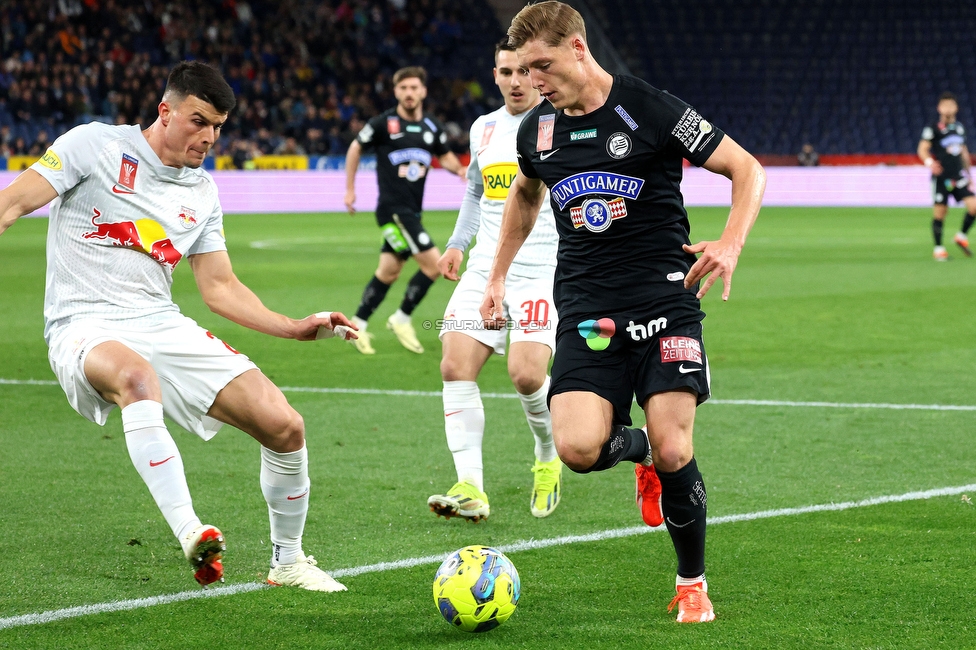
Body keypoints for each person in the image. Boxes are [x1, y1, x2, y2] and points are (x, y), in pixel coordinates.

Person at [0, 61, 357, 592]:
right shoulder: (93, 145)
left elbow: (219, 287)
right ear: (165, 111)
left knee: (285, 426)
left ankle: (288, 562)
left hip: (160, 322)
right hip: (84, 322)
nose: (209, 137)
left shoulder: (203, 192)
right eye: (199, 121)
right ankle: (192, 532)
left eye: (218, 126)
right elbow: (11, 203)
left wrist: (295, 327)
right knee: (137, 380)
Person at [482, 2, 765, 623]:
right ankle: (636, 455)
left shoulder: (650, 108)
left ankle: (691, 583)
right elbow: (525, 198)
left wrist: (730, 242)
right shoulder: (539, 131)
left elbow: (746, 168)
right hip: (587, 309)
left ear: (578, 49)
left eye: (542, 66)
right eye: (525, 70)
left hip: (665, 301)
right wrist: (497, 275)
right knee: (578, 448)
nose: (532, 82)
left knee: (675, 446)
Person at [427, 39, 562, 523]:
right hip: (485, 267)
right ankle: (471, 488)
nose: (515, 81)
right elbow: (476, 190)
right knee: (454, 363)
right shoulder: (482, 128)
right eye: (506, 72)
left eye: (524, 72)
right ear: (495, 73)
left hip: (541, 270)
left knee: (527, 375)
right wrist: (457, 244)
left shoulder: (557, 123)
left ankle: (547, 455)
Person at [344, 66, 467, 355]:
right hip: (395, 211)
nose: (409, 93)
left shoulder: (432, 127)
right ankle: (401, 318)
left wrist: (460, 169)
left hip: (412, 212)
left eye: (414, 88)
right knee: (435, 264)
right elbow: (355, 148)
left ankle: (357, 324)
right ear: (395, 91)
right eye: (403, 88)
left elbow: (445, 156)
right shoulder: (383, 124)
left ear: (423, 91)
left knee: (388, 271)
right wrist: (350, 189)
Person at [917, 92, 976, 261]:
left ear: (956, 108)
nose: (948, 108)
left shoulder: (959, 128)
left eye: (951, 105)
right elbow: (922, 149)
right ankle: (939, 249)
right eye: (945, 105)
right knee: (940, 212)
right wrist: (929, 163)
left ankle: (961, 236)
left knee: (974, 206)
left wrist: (969, 174)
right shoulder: (933, 128)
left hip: (958, 176)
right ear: (939, 108)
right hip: (942, 177)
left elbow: (963, 152)